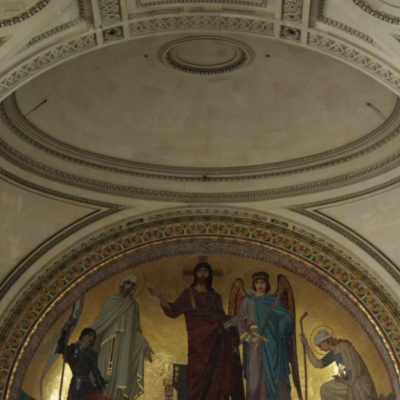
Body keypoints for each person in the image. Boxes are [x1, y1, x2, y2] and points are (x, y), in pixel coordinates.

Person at [148, 262, 245, 400]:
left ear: (210, 275)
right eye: (200, 271)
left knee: (215, 380)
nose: (202, 274)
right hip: (197, 344)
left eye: (205, 271)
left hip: (216, 345)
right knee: (196, 380)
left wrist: (232, 322)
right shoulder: (188, 294)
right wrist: (160, 297)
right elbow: (172, 310)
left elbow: (222, 321)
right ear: (195, 274)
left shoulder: (215, 297)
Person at [91, 274, 153, 400]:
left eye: (133, 285)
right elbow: (100, 322)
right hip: (108, 344)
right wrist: (86, 338)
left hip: (124, 348)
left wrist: (144, 345)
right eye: (127, 282)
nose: (129, 286)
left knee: (120, 375)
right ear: (122, 283)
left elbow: (135, 329)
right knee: (103, 372)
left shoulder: (133, 305)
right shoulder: (111, 301)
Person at [237, 272, 295, 400]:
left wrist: (283, 323)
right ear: (254, 285)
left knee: (273, 376)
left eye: (262, 282)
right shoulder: (248, 301)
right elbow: (239, 323)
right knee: (254, 377)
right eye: (257, 282)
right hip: (254, 345)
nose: (260, 285)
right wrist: (251, 339)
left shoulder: (273, 301)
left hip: (272, 343)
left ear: (267, 284)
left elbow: (286, 316)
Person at [300, 329, 378, 400]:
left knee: (327, 389)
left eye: (320, 345)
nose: (320, 348)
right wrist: (306, 346)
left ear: (325, 341)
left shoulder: (344, 347)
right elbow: (318, 364)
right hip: (347, 381)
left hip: (357, 381)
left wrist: (346, 380)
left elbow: (354, 367)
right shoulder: (332, 354)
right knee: (325, 389)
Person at [56, 327, 110, 400]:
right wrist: (65, 332)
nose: (91, 338)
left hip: (88, 386)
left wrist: (103, 388)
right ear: (83, 336)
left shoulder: (91, 353)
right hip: (76, 386)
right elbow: (61, 348)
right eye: (90, 335)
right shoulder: (73, 349)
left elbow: (96, 372)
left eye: (93, 337)